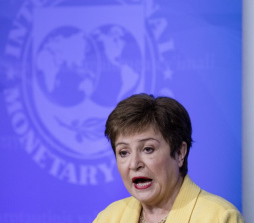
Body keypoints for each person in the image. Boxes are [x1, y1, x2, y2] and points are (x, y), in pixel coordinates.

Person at [93, 93, 244, 223]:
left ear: (179, 152)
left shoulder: (219, 217)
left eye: (148, 149)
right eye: (123, 152)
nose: (134, 164)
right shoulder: (108, 218)